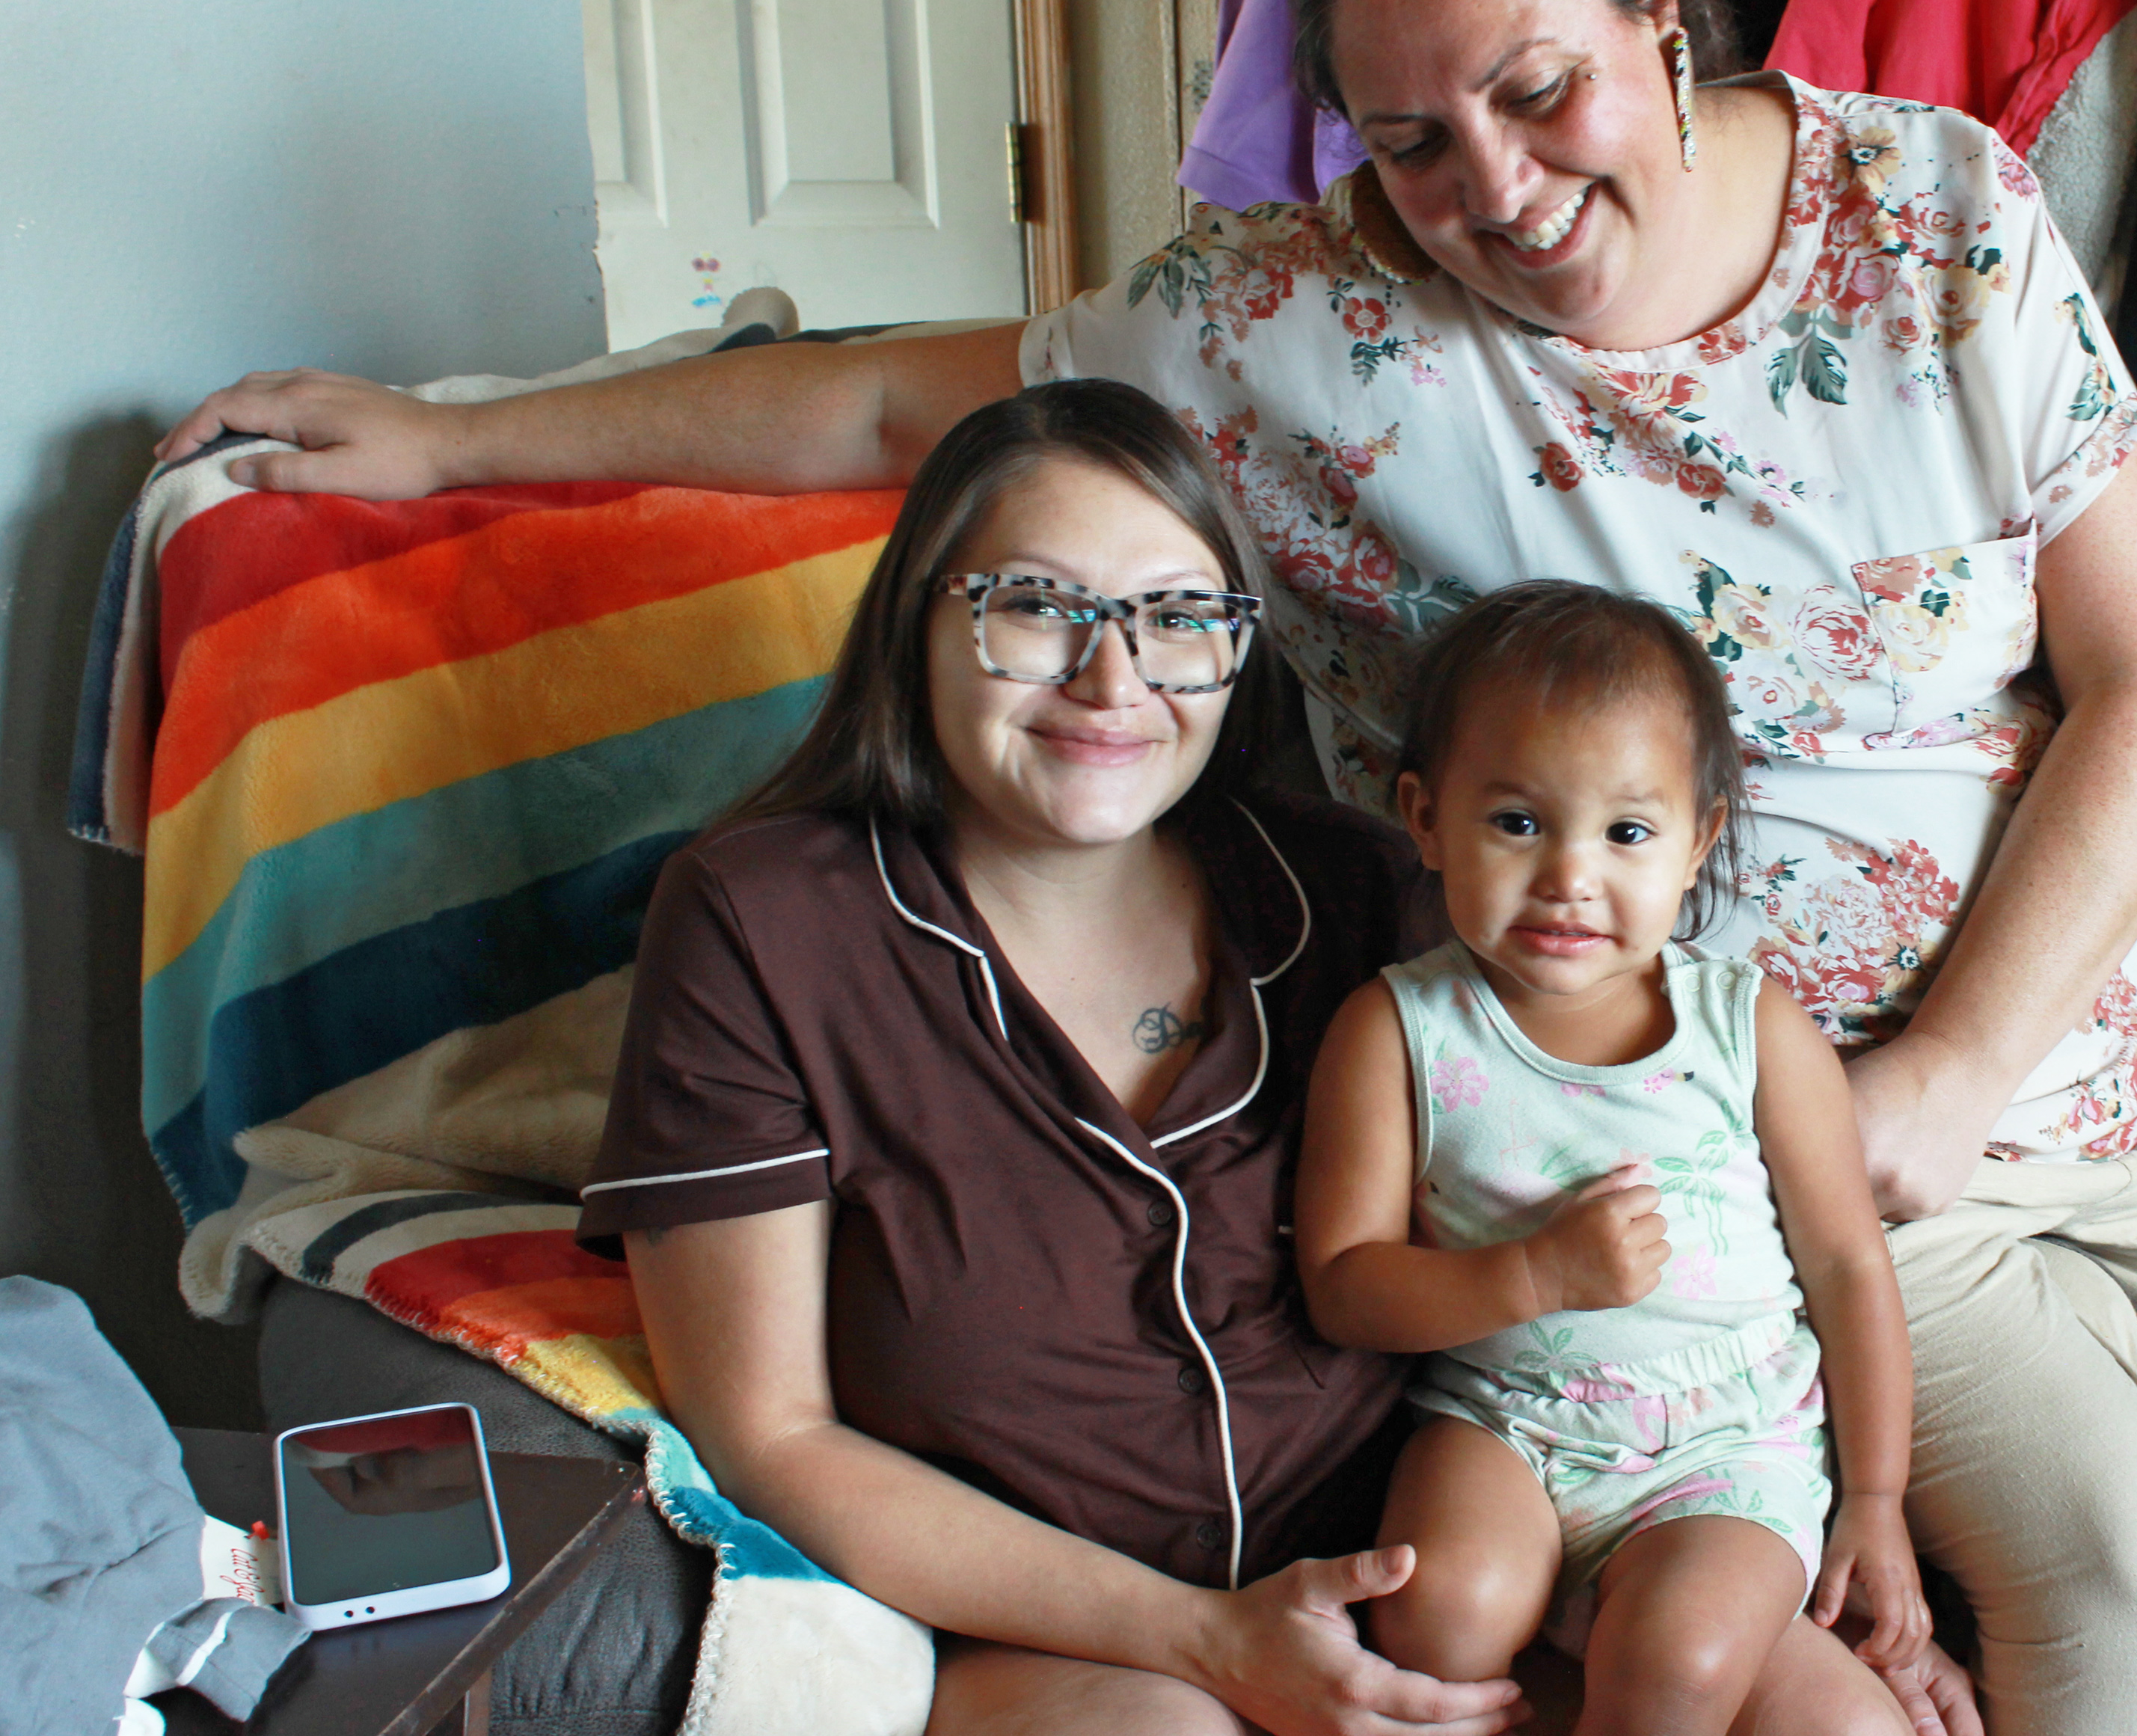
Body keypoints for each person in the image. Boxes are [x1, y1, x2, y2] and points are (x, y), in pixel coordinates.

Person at [162, 0, 2137, 1729]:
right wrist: (455, 434)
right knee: (2130, 1602)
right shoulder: (1311, 321)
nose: (1497, 193)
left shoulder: (1939, 218)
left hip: (2060, 1050)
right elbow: (916, 403)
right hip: (1746, 1119)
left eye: (1540, 95)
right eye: (1417, 139)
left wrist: (1970, 1066)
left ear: (1661, 24)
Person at [572, 378, 1945, 1736]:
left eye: (1178, 618)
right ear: (917, 620)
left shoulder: (1352, 890)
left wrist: (1854, 1544)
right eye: (1037, 607)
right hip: (1081, 1622)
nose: (1114, 680)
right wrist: (1212, 1644)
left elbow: (1678, 1174)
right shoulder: (766, 921)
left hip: (1430, 1550)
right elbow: (770, 1435)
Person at [1297, 583, 1930, 1735]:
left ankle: (1685, 1636)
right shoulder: (1395, 1030)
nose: (1570, 878)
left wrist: (1877, 1499)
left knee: (1678, 1660)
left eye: (1626, 833)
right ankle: (1608, 1639)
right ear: (1426, 819)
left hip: (1726, 1441)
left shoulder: (1749, 1028)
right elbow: (1344, 1284)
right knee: (1436, 1613)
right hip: (1504, 1419)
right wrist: (1532, 1278)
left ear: (1698, 844)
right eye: (1518, 823)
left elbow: (1847, 1265)